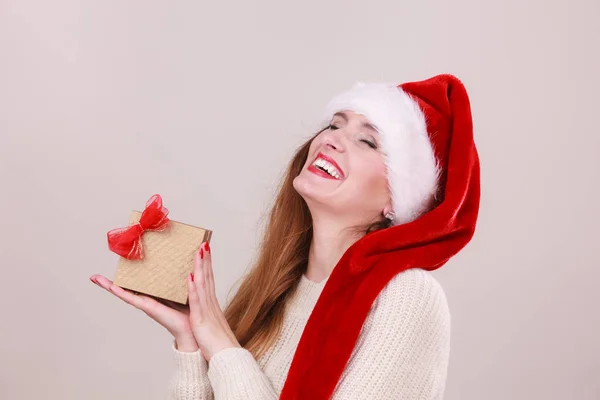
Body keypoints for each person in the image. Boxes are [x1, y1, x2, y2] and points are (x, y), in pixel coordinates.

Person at [90, 73, 480, 399]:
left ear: (397, 199)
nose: (331, 139)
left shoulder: (406, 297)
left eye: (367, 140)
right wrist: (193, 342)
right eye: (334, 124)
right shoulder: (279, 289)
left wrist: (222, 344)